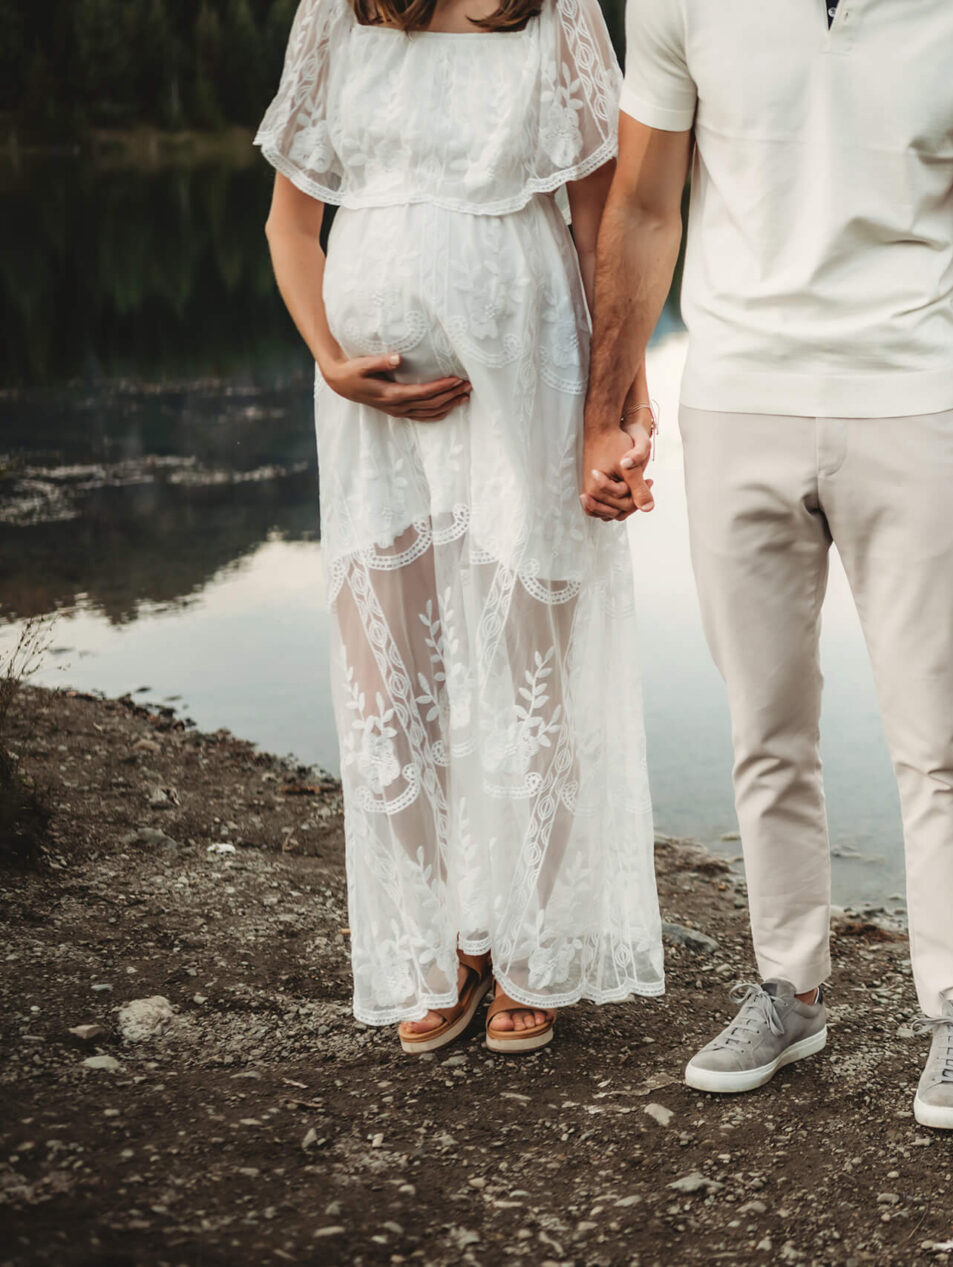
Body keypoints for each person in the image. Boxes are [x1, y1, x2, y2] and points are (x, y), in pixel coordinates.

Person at [578, 0, 953, 1129]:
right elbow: (643, 208)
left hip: (911, 406)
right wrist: (604, 412)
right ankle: (790, 989)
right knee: (765, 727)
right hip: (737, 397)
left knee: (935, 732)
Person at [256, 0, 664, 1055]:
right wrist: (329, 359)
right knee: (395, 671)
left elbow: (600, 219)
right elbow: (289, 226)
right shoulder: (336, 12)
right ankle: (441, 945)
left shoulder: (557, 12)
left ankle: (531, 949)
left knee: (529, 658)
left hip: (525, 364)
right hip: (366, 413)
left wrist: (615, 399)